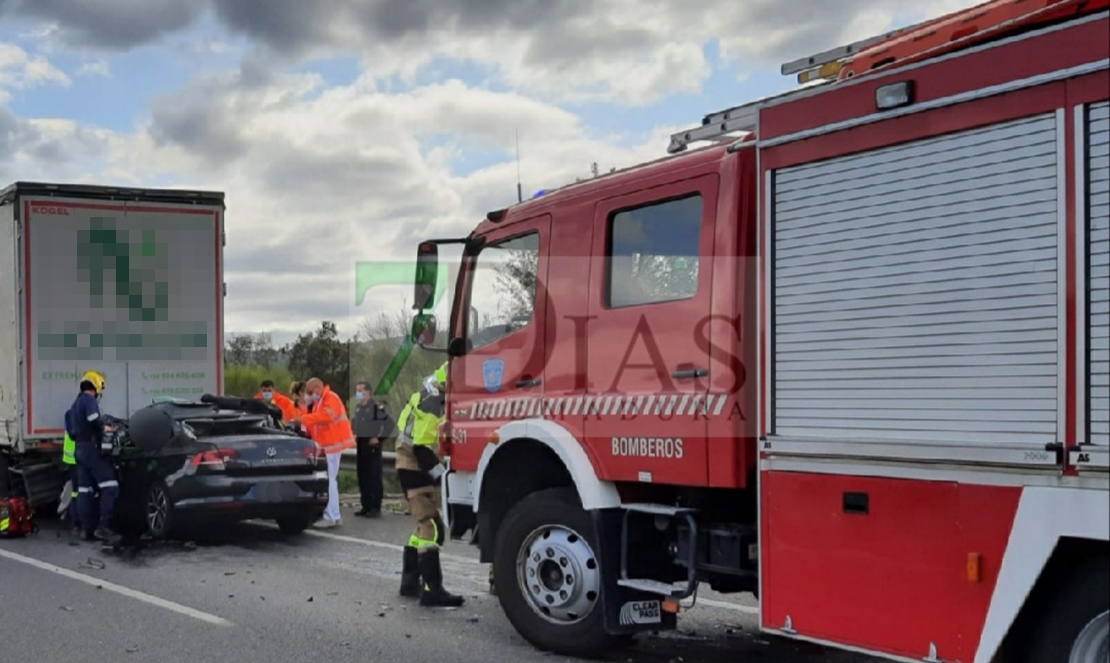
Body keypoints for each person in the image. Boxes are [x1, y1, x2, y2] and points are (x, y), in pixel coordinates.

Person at [394, 361, 464, 607]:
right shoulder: (434, 402)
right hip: (416, 465)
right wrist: (441, 475)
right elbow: (422, 446)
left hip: (408, 465)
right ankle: (432, 589)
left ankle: (409, 583)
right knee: (432, 527)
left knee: (422, 527)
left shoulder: (426, 395)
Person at [288, 377, 355, 529]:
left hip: (331, 445)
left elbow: (326, 417)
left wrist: (303, 420)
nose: (310, 395)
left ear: (318, 387)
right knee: (331, 480)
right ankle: (334, 515)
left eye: (311, 392)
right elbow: (318, 424)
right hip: (327, 445)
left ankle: (331, 516)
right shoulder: (321, 400)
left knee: (329, 480)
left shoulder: (330, 398)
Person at [67, 370, 120, 543]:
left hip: (80, 449)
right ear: (96, 386)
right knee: (110, 486)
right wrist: (105, 428)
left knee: (84, 490)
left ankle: (85, 529)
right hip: (91, 449)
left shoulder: (75, 404)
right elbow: (94, 420)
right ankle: (103, 528)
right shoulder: (89, 400)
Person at [351, 381, 394, 518]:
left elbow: (390, 424)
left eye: (361, 390)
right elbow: (355, 423)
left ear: (368, 392)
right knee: (362, 476)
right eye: (357, 390)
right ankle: (365, 504)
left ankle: (375, 506)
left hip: (372, 446)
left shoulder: (376, 408)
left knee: (373, 476)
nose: (359, 393)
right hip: (361, 445)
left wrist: (379, 438)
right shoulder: (358, 408)